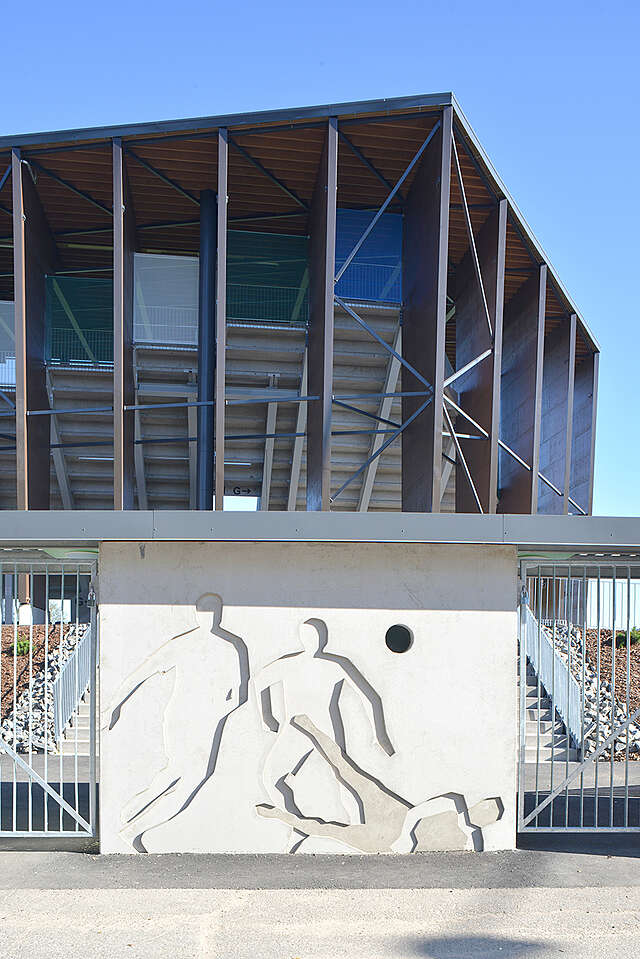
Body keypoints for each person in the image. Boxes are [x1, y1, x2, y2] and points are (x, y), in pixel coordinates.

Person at [105, 593, 248, 851]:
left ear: (221, 613)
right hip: (180, 717)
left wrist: (217, 714)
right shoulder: (183, 644)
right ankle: (133, 829)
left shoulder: (232, 646)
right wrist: (115, 704)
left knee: (176, 772)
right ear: (196, 614)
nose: (209, 617)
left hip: (208, 720)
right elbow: (143, 672)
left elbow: (240, 695)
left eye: (214, 612)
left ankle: (129, 813)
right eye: (204, 612)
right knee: (191, 777)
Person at [254, 617, 394, 830]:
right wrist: (266, 718)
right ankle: (301, 829)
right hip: (297, 729)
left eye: (316, 636)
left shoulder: (334, 665)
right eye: (309, 635)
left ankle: (358, 827)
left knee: (345, 782)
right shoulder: (291, 664)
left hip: (323, 729)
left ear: (324, 639)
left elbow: (369, 697)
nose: (314, 640)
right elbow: (258, 681)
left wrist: (379, 734)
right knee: (272, 778)